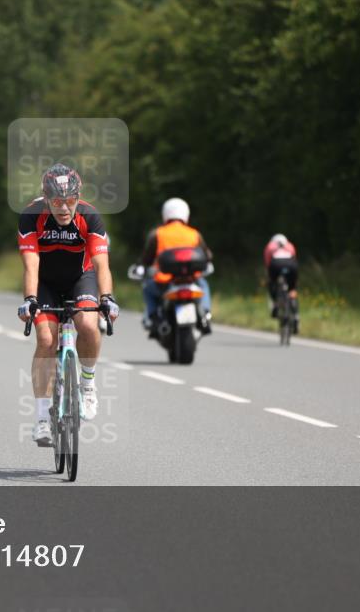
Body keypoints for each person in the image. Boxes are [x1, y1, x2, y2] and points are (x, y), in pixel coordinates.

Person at [16, 163, 119, 447]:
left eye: (70, 201)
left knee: (87, 323)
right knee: (46, 339)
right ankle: (40, 420)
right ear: (45, 198)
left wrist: (107, 298)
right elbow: (31, 264)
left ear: (79, 197)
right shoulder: (30, 216)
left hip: (80, 278)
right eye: (57, 202)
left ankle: (87, 384)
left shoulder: (90, 216)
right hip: (45, 283)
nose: (64, 208)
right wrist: (30, 301)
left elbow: (101, 265)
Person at [134, 197, 213, 334]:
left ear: (165, 214)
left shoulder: (158, 233)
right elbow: (207, 256)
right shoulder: (194, 234)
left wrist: (141, 266)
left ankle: (154, 318)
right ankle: (206, 314)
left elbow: (147, 258)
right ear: (186, 214)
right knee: (204, 284)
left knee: (147, 288)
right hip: (191, 279)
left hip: (165, 281)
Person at [264, 233, 299, 333]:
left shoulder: (270, 246)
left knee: (272, 283)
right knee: (293, 288)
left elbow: (268, 264)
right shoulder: (290, 245)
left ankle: (275, 304)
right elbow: (294, 259)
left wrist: (270, 279)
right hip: (291, 265)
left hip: (276, 264)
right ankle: (296, 314)